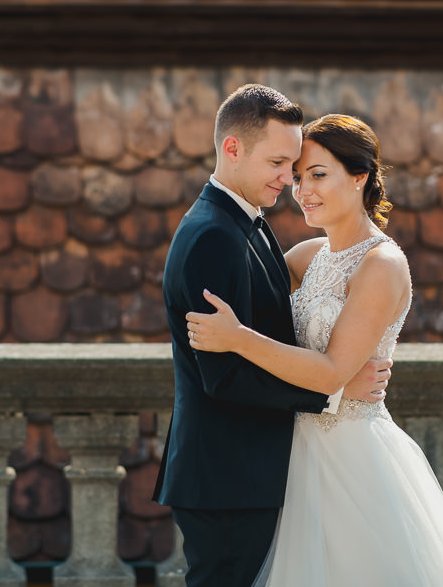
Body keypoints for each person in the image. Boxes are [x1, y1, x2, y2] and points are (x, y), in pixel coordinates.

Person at [186, 113, 443, 587]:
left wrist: (238, 338)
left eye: (317, 175)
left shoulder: (382, 264)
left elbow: (330, 371)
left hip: (353, 458)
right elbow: (246, 297)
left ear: (360, 176)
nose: (302, 191)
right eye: (297, 178)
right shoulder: (307, 257)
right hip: (291, 455)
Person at [152, 85, 393, 587]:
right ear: (232, 149)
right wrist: (333, 391)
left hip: (259, 471)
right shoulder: (214, 235)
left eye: (297, 168)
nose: (289, 180)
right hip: (227, 477)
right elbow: (224, 378)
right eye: (280, 164)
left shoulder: (248, 222)